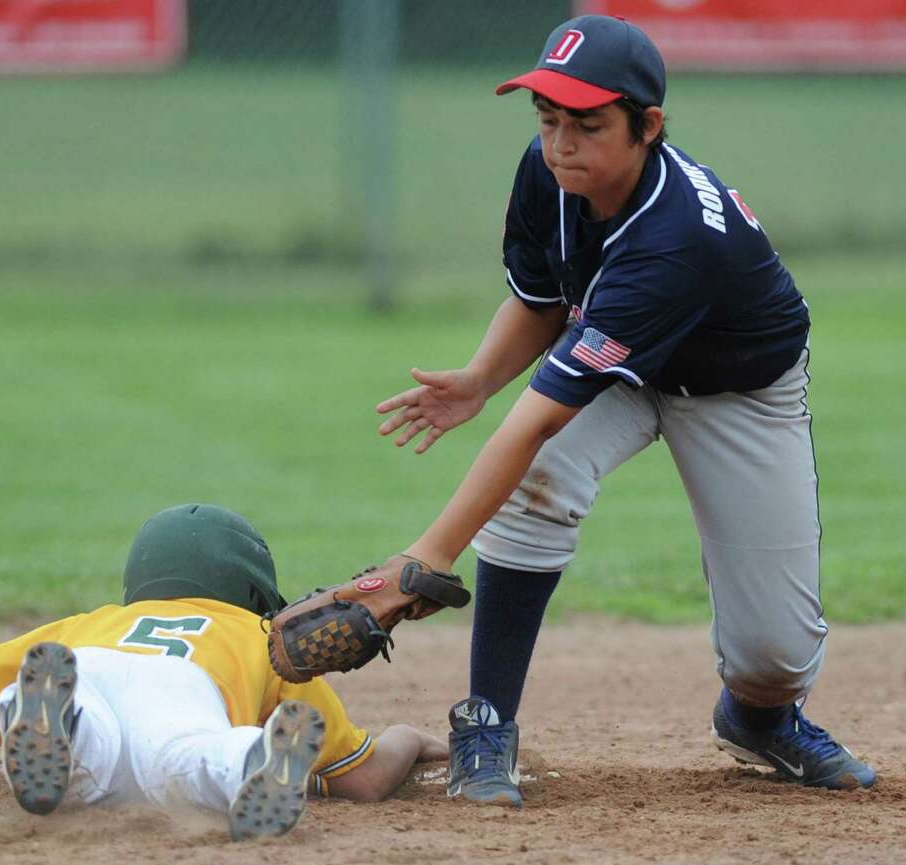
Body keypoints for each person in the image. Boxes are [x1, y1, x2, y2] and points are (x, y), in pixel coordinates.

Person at [374, 15, 876, 804]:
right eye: (548, 119)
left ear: (648, 126)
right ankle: (487, 722)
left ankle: (759, 717)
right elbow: (543, 298)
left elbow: (537, 415)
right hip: (626, 367)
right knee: (538, 480)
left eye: (587, 123)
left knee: (774, 654)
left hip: (739, 389)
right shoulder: (548, 174)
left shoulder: (677, 236)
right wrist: (479, 378)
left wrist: (426, 557)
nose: (561, 143)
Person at [0, 504, 447, 840]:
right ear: (255, 590)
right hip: (187, 696)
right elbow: (364, 780)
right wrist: (409, 738)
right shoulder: (264, 638)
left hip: (92, 673)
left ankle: (54, 719)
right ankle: (250, 761)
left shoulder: (91, 624)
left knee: (87, 738)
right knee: (198, 759)